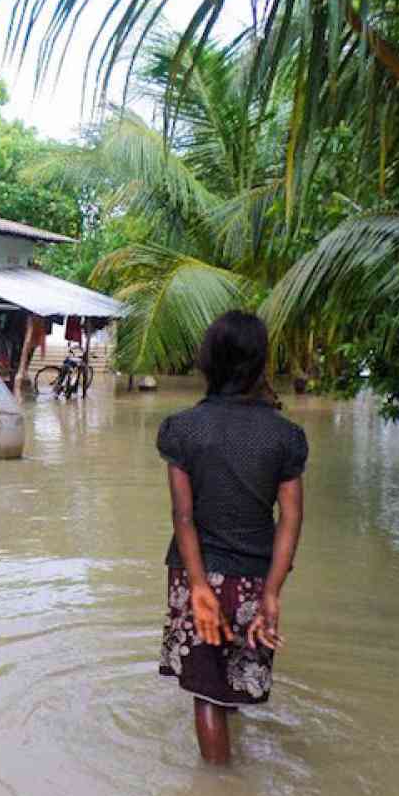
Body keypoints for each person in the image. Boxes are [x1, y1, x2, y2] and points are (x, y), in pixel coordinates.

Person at [156, 311, 308, 765]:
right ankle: (231, 790)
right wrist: (274, 593)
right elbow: (291, 519)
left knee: (207, 695)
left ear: (208, 362)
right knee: (232, 681)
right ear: (261, 363)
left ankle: (220, 794)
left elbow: (184, 518)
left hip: (196, 573)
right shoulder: (286, 437)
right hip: (255, 577)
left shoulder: (182, 429)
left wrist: (200, 588)